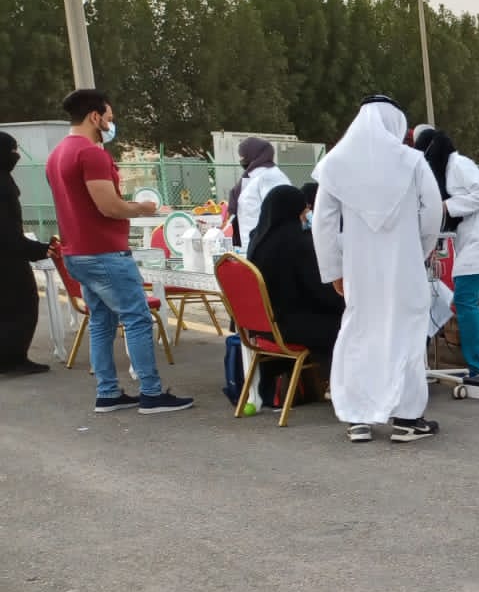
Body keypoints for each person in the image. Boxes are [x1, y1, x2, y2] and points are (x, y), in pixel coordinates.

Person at [44, 89, 193, 414]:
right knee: (137, 318)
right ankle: (151, 392)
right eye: (109, 118)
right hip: (105, 252)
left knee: (101, 320)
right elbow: (108, 206)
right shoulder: (91, 154)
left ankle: (108, 392)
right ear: (94, 116)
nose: (112, 125)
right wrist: (143, 207)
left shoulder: (56, 156)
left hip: (76, 252)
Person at [311, 95, 443, 443]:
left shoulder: (335, 163)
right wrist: (419, 250)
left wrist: (334, 270)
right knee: (407, 335)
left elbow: (322, 224)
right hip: (404, 266)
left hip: (359, 269)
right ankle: (407, 419)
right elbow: (432, 212)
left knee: (359, 333)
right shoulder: (411, 161)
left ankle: (357, 418)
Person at [413, 125, 479, 379]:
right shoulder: (448, 169)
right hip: (470, 244)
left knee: (465, 301)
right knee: (461, 302)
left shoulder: (460, 164)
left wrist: (446, 205)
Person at [246, 183, 344, 389]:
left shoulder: (258, 240)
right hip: (290, 326)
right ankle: (344, 387)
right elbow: (320, 292)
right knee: (348, 325)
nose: (307, 214)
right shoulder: (298, 243)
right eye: (305, 210)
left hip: (263, 327)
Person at [0, 132, 56, 375]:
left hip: (10, 255)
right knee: (21, 307)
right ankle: (12, 359)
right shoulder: (3, 185)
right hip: (8, 262)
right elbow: (7, 232)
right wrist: (40, 249)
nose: (17, 155)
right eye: (12, 150)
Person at [229, 137, 291, 253]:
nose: (241, 159)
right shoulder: (251, 177)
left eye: (243, 155)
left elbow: (279, 212)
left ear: (254, 154)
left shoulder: (270, 176)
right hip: (249, 245)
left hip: (265, 247)